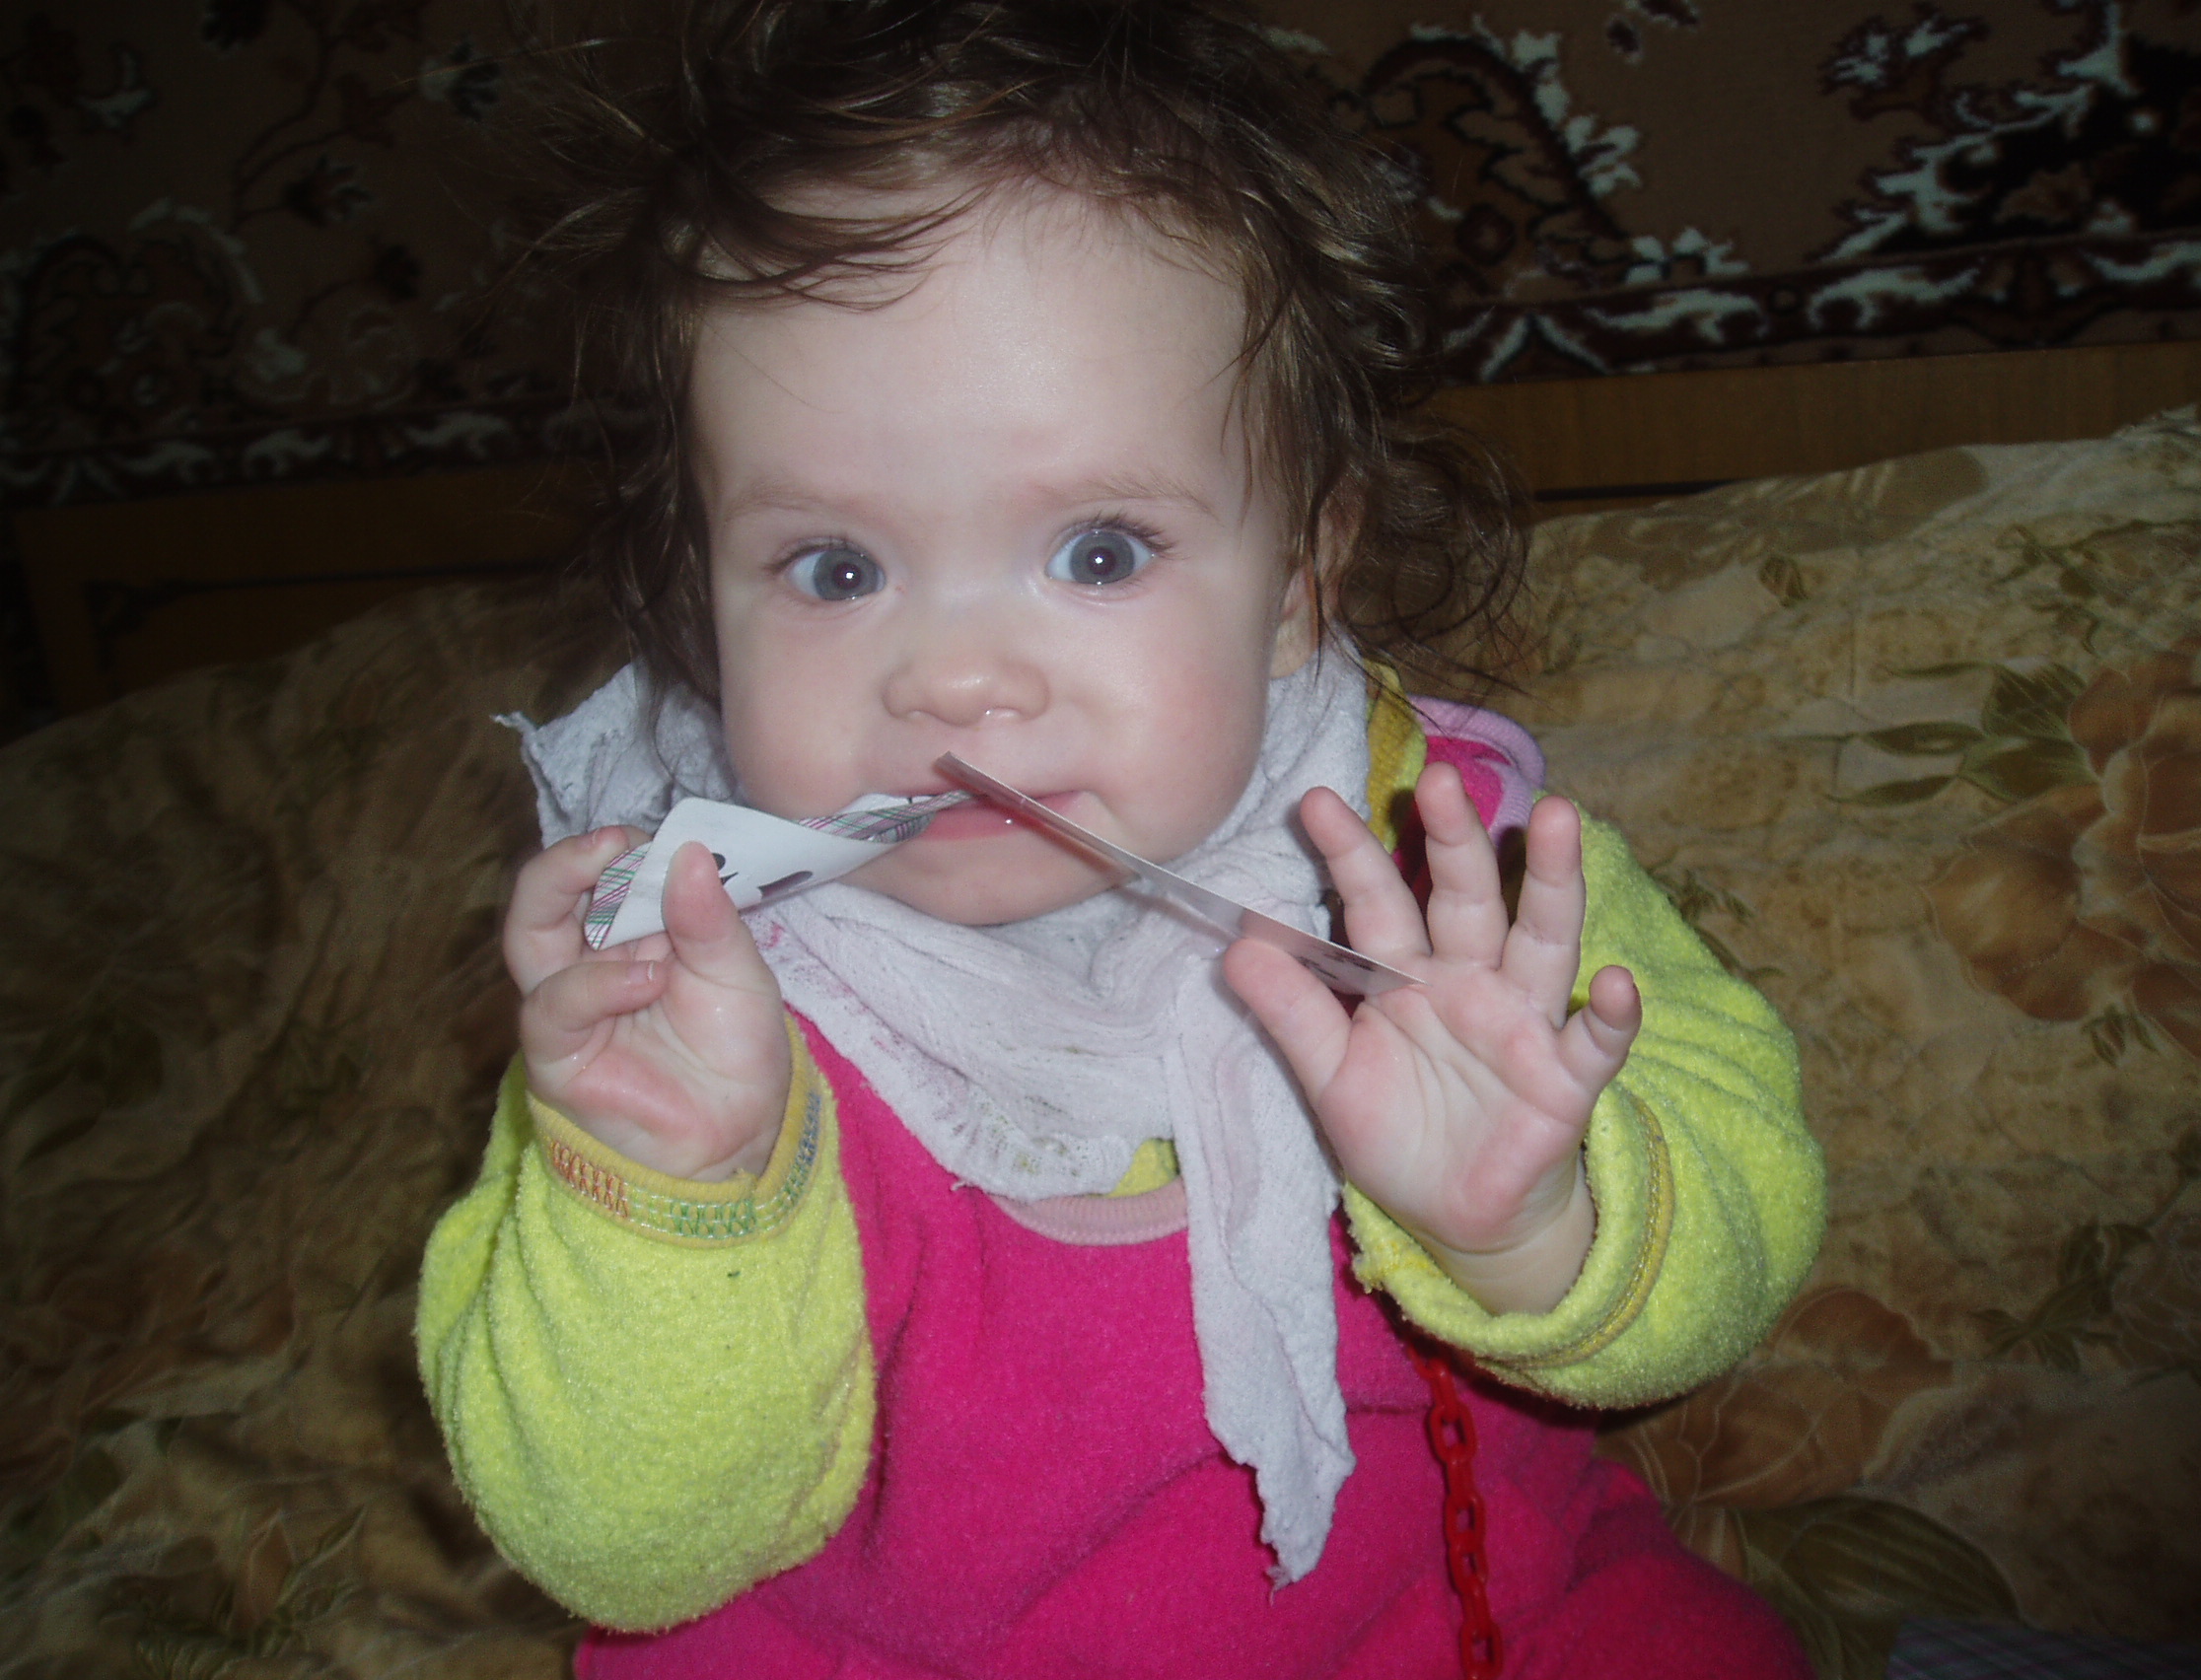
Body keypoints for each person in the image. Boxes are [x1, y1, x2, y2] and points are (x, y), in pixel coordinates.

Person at [416, 2, 1824, 1674]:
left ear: (1298, 575)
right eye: (835, 570)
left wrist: (1532, 1226)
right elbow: (627, 1553)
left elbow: (1743, 1221)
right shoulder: (677, 990)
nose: (953, 679)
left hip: (1457, 1615)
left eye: (1097, 551)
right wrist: (675, 1188)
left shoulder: (1446, 870)